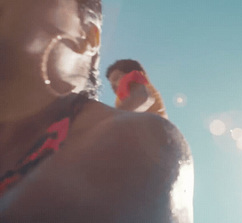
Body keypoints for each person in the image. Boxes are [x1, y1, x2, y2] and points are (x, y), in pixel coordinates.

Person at [0, 0, 193, 222]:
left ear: (90, 38)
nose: (116, 85)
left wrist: (120, 120)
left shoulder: (132, 130)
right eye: (112, 82)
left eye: (117, 78)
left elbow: (142, 98)